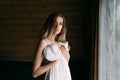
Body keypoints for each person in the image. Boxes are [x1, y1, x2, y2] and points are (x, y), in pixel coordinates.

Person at [32, 12, 72, 80]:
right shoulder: (44, 43)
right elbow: (35, 73)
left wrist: (67, 56)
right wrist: (54, 62)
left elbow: (64, 65)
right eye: (55, 22)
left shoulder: (61, 44)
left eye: (60, 24)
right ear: (50, 24)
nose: (57, 26)